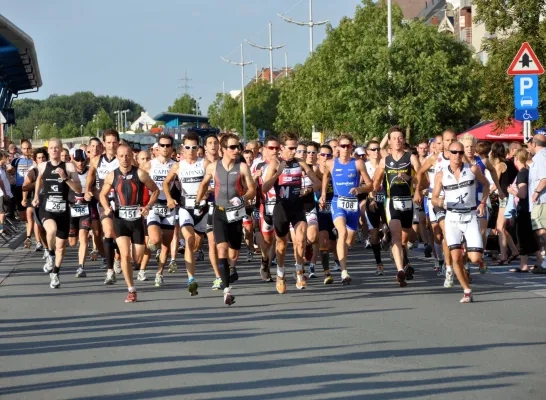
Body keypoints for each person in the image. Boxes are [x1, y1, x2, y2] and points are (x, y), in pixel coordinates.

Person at [196, 133, 256, 305]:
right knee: (221, 249)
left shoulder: (242, 167)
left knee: (234, 253)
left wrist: (243, 199)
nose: (237, 150)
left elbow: (252, 188)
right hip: (220, 212)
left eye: (238, 147)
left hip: (237, 212)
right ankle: (227, 291)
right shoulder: (213, 167)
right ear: (223, 150)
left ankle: (231, 268)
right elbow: (204, 184)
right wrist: (198, 202)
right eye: (232, 147)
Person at [262, 132, 321, 293]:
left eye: (296, 148)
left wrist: (308, 189)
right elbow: (265, 188)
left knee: (301, 239)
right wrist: (278, 173)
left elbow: (317, 182)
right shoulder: (275, 163)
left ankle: (299, 271)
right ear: (282, 148)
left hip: (297, 206)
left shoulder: (300, 162)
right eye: (291, 148)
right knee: (281, 245)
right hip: (281, 207)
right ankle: (280, 273)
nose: (294, 151)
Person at [100, 144, 159, 303]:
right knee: (125, 255)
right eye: (121, 156)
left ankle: (125, 264)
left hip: (137, 221)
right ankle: (131, 289)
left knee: (137, 259)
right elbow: (102, 194)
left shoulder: (140, 173)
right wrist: (106, 208)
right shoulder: (112, 175)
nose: (124, 159)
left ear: (132, 157)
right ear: (117, 157)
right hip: (120, 220)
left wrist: (148, 206)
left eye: (127, 155)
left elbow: (156, 190)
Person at [431, 141, 489, 303]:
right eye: (454, 152)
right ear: (448, 154)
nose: (458, 155)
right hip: (452, 218)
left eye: (460, 152)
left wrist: (483, 202)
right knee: (455, 257)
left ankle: (480, 260)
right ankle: (467, 291)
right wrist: (439, 202)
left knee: (474, 258)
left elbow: (486, 185)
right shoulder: (441, 175)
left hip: (470, 217)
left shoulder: (472, 169)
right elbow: (434, 198)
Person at [320, 134, 373, 285]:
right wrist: (324, 194)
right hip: (338, 202)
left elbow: (370, 184)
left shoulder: (358, 163)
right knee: (342, 233)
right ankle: (344, 272)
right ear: (337, 148)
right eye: (342, 146)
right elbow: (325, 177)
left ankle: (340, 247)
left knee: (348, 240)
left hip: (353, 205)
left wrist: (359, 188)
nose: (344, 149)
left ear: (351, 148)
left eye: (347, 146)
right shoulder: (331, 163)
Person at [373, 126, 420, 287]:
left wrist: (409, 178)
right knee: (396, 236)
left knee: (408, 237)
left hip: (408, 201)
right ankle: (400, 270)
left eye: (400, 137)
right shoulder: (385, 161)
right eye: (394, 138)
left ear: (403, 140)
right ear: (390, 142)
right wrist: (373, 192)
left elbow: (423, 180)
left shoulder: (411, 158)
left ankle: (404, 260)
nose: (398, 140)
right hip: (392, 201)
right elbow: (376, 181)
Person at [32, 138, 82, 289]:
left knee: (61, 246)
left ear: (61, 150)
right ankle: (49, 253)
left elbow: (78, 189)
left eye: (56, 148)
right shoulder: (42, 166)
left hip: (63, 210)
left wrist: (65, 178)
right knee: (51, 230)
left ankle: (55, 272)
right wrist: (35, 196)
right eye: (51, 148)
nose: (54, 150)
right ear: (48, 151)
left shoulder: (69, 167)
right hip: (47, 208)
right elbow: (39, 180)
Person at [164, 132, 209, 295]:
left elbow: (215, 182)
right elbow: (166, 183)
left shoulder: (205, 163)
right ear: (183, 148)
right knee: (189, 240)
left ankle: (191, 272)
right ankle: (191, 279)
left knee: (196, 245)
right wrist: (169, 198)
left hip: (202, 209)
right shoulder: (178, 165)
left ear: (199, 148)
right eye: (187, 147)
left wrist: (208, 192)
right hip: (185, 208)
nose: (190, 150)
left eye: (194, 147)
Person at [86, 129, 121, 283]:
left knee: (119, 234)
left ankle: (119, 257)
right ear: (104, 144)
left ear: (118, 143)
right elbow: (91, 175)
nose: (111, 145)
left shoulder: (124, 159)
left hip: (121, 201)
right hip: (104, 200)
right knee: (107, 232)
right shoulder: (96, 160)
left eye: (114, 142)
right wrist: (87, 190)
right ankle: (110, 270)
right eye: (108, 142)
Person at [144, 135, 177, 286]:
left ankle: (159, 273)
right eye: (162, 145)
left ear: (172, 147)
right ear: (157, 147)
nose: (165, 148)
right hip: (154, 204)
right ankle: (150, 240)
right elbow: (138, 182)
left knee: (166, 244)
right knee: (156, 240)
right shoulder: (150, 165)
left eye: (168, 145)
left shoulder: (176, 165)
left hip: (170, 206)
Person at [67, 149, 98, 278]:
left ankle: (81, 266)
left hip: (86, 208)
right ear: (72, 159)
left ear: (86, 160)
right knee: (72, 242)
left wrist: (91, 193)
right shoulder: (68, 172)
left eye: (82, 160)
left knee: (84, 237)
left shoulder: (91, 172)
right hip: (71, 209)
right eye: (77, 160)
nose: (80, 163)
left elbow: (96, 188)